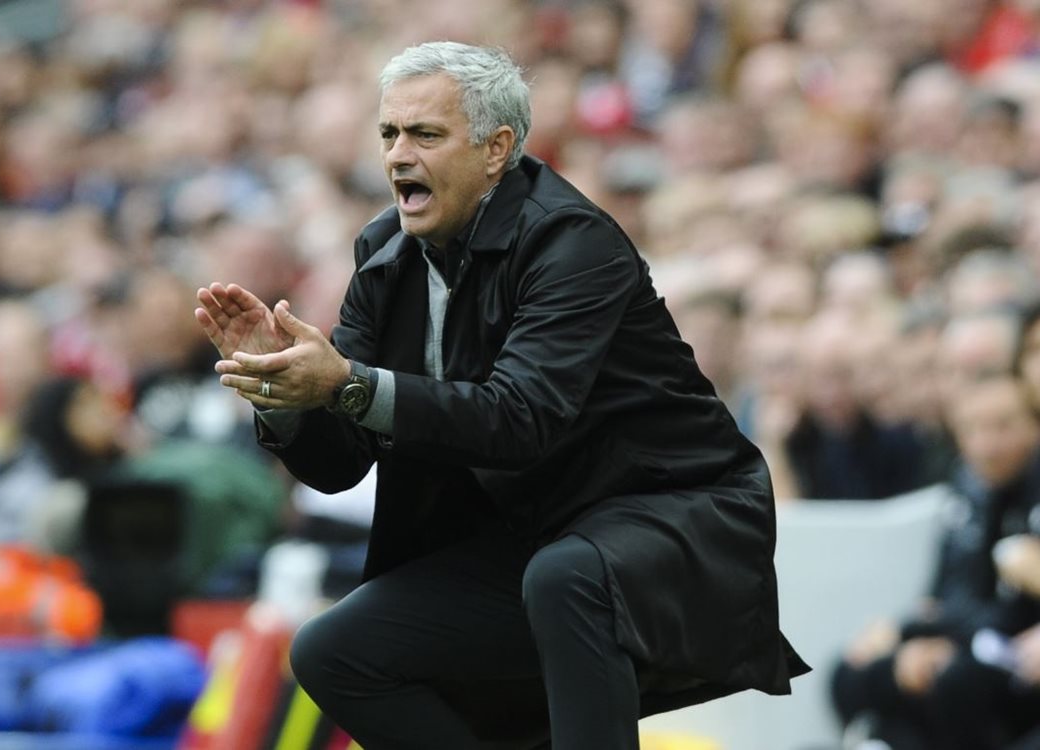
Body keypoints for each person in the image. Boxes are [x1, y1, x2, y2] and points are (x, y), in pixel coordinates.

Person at [195, 42, 807, 749]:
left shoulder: (572, 242)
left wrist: (349, 384)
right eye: (390, 133)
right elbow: (341, 466)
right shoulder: (384, 256)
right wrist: (284, 392)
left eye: (426, 134)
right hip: (529, 541)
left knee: (566, 576)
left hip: (674, 519)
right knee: (333, 650)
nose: (398, 155)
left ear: (497, 150)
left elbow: (521, 419)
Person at [830, 374, 1040, 750]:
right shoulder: (967, 490)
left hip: (1005, 653)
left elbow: (1009, 609)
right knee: (850, 672)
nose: (987, 444)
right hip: (962, 632)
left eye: (1003, 425)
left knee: (955, 681)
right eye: (973, 429)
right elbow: (946, 590)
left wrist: (950, 641)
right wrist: (904, 632)